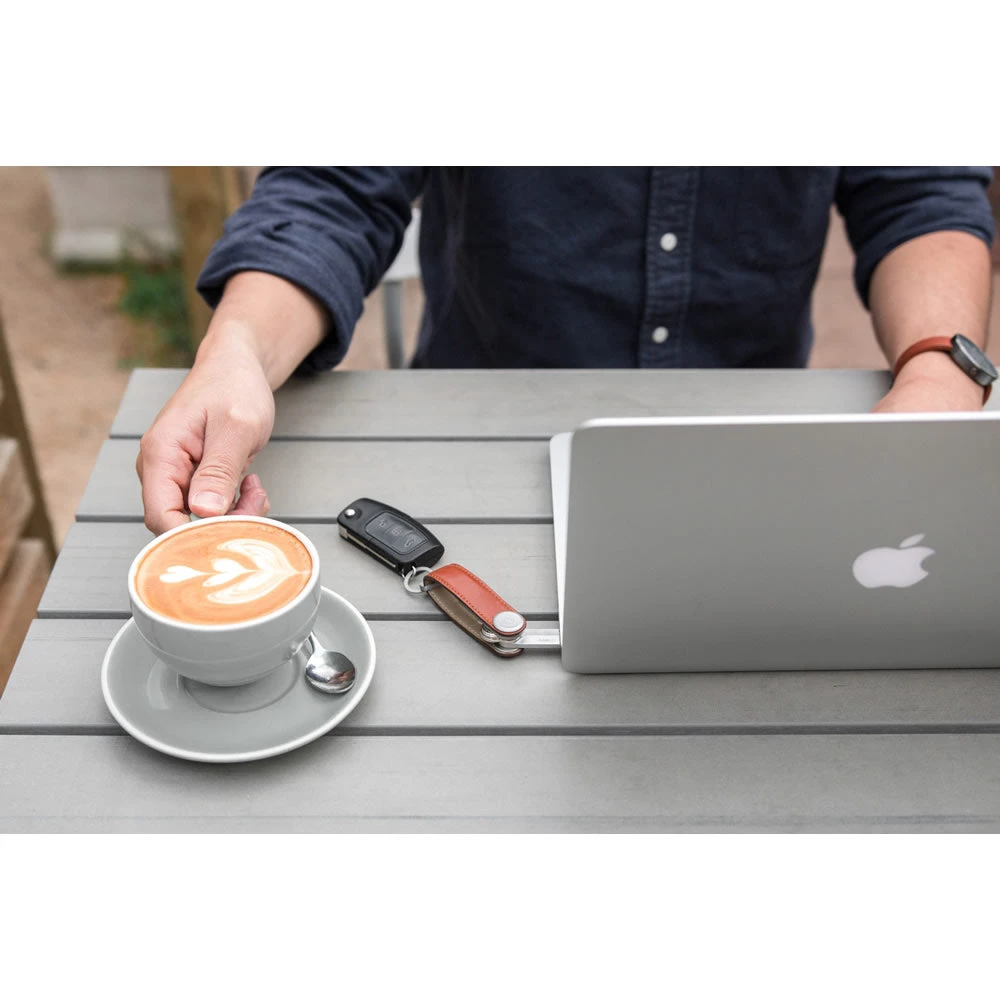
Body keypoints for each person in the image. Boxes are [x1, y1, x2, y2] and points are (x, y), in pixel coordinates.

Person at [137, 167, 996, 535]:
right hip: (474, 460)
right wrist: (235, 351)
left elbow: (919, 196)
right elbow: (333, 192)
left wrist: (939, 373)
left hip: (760, 464)